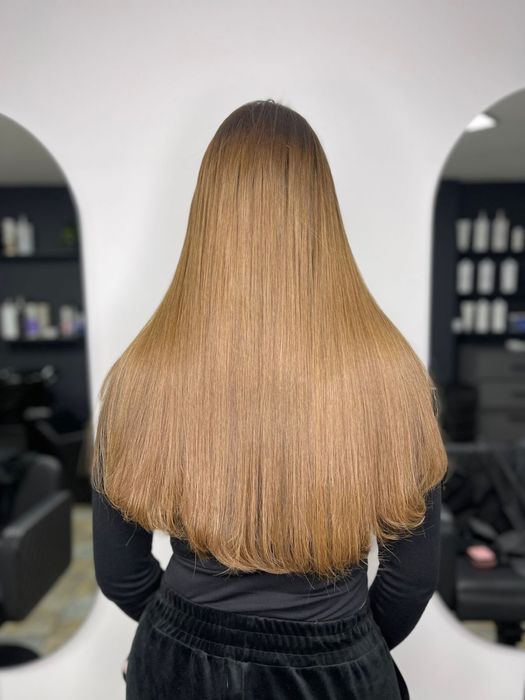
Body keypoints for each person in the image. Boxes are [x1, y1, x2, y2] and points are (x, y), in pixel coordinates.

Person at [91, 98, 448, 700]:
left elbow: (120, 574)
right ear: (321, 212)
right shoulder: (394, 376)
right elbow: (410, 581)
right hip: (340, 664)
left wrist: (174, 642)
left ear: (207, 212)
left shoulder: (139, 375)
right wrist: (347, 653)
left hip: (176, 664)